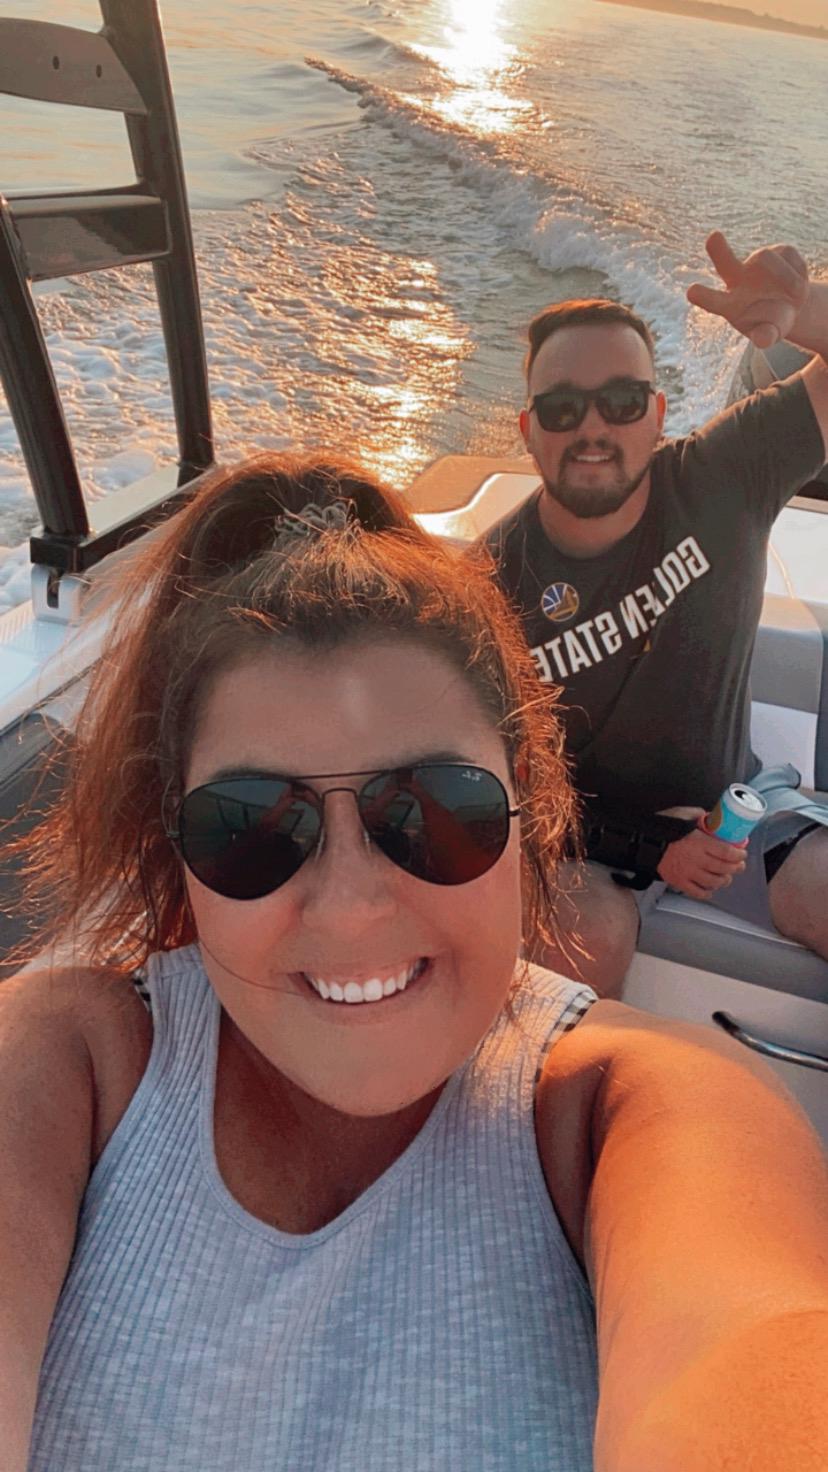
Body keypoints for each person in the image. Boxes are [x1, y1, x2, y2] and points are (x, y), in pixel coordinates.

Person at [2, 453, 826, 1472]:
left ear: (525, 805)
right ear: (177, 843)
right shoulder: (66, 1061)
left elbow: (750, 1342)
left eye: (435, 808)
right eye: (251, 824)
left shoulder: (648, 1114)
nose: (351, 905)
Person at [484, 232, 828, 996]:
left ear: (658, 413)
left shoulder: (723, 475)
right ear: (529, 430)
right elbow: (488, 790)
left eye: (622, 401)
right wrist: (651, 846)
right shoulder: (486, 585)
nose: (593, 429)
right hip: (579, 845)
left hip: (736, 811)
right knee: (583, 943)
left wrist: (804, 309)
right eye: (562, 408)